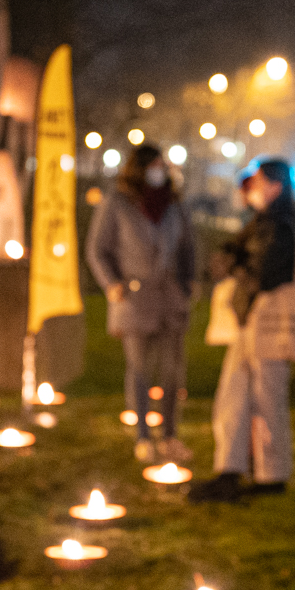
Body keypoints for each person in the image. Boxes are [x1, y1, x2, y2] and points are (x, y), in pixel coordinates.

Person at [190, 156, 295, 503]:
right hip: (252, 322)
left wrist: (235, 267)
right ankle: (237, 471)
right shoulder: (267, 221)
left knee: (265, 399)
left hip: (266, 321)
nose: (251, 188)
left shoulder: (280, 224)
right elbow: (233, 254)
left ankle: (265, 475)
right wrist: (235, 261)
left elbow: (260, 273)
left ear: (275, 186)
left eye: (258, 182)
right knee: (238, 397)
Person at [85, 144, 196, 464]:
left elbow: (189, 246)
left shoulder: (175, 205)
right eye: (155, 165)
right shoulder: (117, 203)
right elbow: (97, 249)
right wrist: (112, 284)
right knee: (140, 369)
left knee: (173, 371)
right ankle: (144, 436)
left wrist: (188, 282)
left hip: (170, 298)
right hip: (134, 299)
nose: (160, 171)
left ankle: (171, 435)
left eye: (163, 166)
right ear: (141, 168)